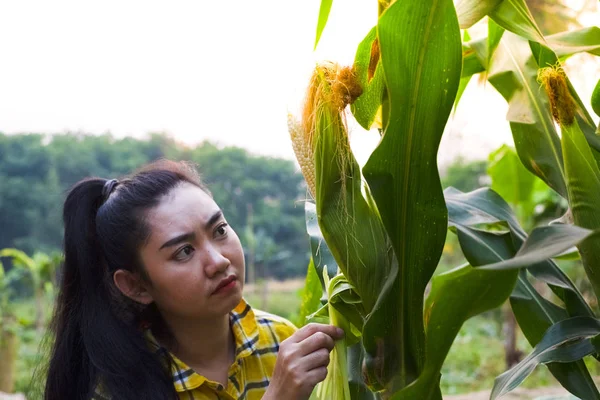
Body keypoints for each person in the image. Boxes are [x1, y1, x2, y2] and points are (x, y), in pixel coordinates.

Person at [43, 159, 343, 400]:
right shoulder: (111, 388)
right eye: (184, 251)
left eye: (220, 231)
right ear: (136, 286)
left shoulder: (282, 341)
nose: (219, 261)